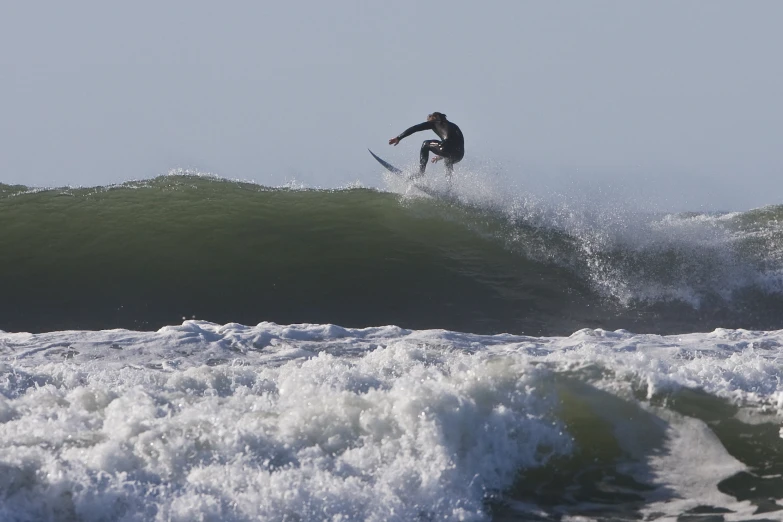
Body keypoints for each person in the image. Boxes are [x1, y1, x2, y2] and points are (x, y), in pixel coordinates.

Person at [389, 112, 464, 178]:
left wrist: (399, 138)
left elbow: (415, 128)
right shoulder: (454, 126)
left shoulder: (434, 122)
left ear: (434, 117)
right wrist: (441, 156)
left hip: (447, 149)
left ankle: (421, 173)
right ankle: (449, 187)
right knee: (448, 161)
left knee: (425, 144)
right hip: (459, 155)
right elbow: (453, 144)